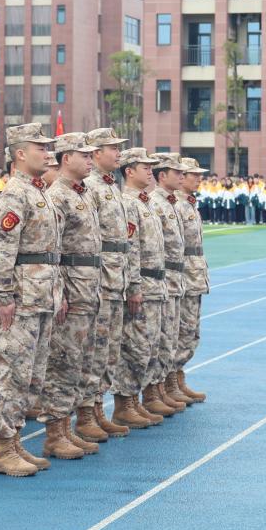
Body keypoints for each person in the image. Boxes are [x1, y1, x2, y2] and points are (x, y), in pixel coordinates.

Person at [0, 122, 62, 477]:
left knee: (31, 375)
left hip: (41, 295)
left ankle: (14, 440)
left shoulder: (37, 191)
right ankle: (2, 449)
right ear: (19, 154)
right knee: (11, 372)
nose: (47, 153)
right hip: (21, 298)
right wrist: (3, 294)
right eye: (40, 148)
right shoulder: (15, 194)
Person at [40, 132, 103, 459]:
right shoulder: (58, 196)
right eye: (85, 155)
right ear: (66, 158)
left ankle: (66, 427)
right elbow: (53, 251)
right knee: (63, 362)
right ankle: (54, 433)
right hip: (71, 290)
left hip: (88, 288)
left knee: (80, 361)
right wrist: (59, 293)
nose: (91, 160)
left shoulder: (83, 193)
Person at [83, 127, 137, 438]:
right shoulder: (90, 187)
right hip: (100, 280)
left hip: (116, 278)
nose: (118, 153)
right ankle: (86, 415)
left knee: (109, 350)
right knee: (95, 349)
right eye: (112, 148)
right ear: (95, 153)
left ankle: (97, 409)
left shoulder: (110, 186)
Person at [118, 147, 170, 425]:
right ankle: (125, 403)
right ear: (129, 171)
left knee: (150, 345)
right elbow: (131, 248)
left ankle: (137, 400)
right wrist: (134, 286)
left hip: (155, 282)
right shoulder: (128, 203)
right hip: (142, 282)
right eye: (145, 167)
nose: (151, 171)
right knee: (135, 347)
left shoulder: (145, 202)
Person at [148, 154, 190, 412]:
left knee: (171, 337)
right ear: (162, 175)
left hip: (174, 277)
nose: (182, 177)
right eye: (177, 172)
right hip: (159, 278)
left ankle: (167, 386)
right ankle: (153, 392)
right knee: (156, 340)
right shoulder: (155, 202)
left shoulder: (172, 203)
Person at [174, 157, 210, 402]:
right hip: (183, 276)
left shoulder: (190, 204)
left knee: (190, 332)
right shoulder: (176, 205)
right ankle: (170, 384)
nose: (199, 178)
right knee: (179, 331)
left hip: (194, 275)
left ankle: (178, 379)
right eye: (193, 174)